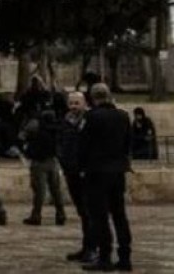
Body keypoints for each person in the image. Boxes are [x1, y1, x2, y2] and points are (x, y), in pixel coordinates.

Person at [79, 83, 132, 271]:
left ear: (93, 98)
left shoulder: (91, 117)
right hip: (118, 171)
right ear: (109, 96)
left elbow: (83, 144)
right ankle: (125, 256)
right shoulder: (123, 116)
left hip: (97, 172)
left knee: (100, 216)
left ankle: (105, 257)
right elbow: (127, 144)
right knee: (119, 214)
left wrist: (81, 167)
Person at [58, 91, 96, 264]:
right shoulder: (66, 122)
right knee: (82, 212)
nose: (74, 106)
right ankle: (86, 246)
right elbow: (62, 143)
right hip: (71, 171)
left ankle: (92, 248)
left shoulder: (90, 121)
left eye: (77, 103)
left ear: (84, 103)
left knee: (90, 212)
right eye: (71, 103)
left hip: (86, 173)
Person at [21, 108, 66, 226]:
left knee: (39, 192)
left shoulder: (36, 126)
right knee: (56, 190)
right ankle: (61, 214)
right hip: (52, 161)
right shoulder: (56, 128)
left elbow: (23, 136)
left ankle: (36, 215)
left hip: (38, 162)